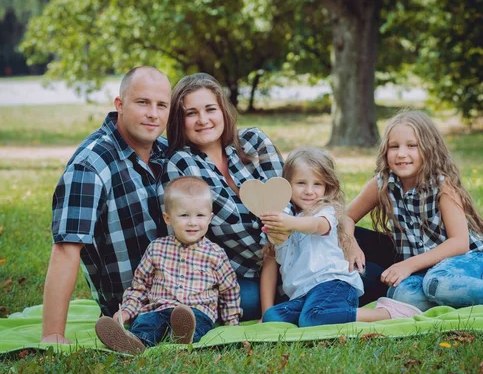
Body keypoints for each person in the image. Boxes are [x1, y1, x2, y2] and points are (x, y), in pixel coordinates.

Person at [162, 73, 396, 320]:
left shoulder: (254, 141)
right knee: (248, 301)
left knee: (383, 260)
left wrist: (348, 240)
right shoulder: (183, 165)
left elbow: (294, 196)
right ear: (180, 119)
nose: (203, 120)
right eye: (191, 113)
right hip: (255, 268)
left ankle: (417, 281)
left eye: (210, 109)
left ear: (223, 111)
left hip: (311, 238)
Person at [345, 110, 483, 315]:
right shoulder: (382, 184)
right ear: (385, 151)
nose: (402, 154)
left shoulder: (441, 186)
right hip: (426, 270)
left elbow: (460, 243)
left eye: (412, 145)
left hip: (470, 258)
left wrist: (407, 264)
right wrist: (351, 245)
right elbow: (345, 216)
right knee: (401, 295)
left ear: (429, 149)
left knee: (438, 283)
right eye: (394, 147)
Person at [41, 66, 172, 344]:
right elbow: (66, 248)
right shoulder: (91, 165)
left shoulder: (165, 151)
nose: (153, 113)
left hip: (184, 289)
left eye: (162, 105)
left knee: (261, 295)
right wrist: (53, 334)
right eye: (142, 103)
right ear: (120, 105)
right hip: (130, 307)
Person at [259, 147, 422, 327]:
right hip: (302, 294)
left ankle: (386, 313)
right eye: (301, 183)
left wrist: (289, 223)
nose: (309, 191)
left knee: (313, 319)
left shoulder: (325, 212)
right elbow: (270, 263)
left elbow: (317, 226)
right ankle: (321, 313)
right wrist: (265, 311)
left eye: (317, 184)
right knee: (273, 317)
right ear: (287, 184)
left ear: (327, 187)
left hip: (333, 284)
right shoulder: (283, 221)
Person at [94, 176, 241, 354]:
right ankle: (133, 342)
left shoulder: (215, 254)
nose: (193, 222)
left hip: (197, 311)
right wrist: (126, 312)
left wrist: (232, 323)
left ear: (210, 218)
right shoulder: (156, 248)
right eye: (184, 215)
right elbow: (140, 288)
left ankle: (182, 335)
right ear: (168, 218)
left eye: (200, 215)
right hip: (159, 308)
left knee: (195, 321)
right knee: (147, 324)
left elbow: (229, 290)